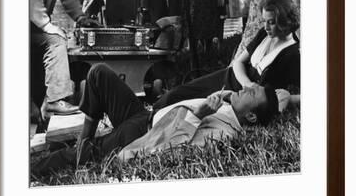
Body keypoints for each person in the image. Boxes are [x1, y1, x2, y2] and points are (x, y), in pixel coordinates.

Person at [32, 62, 280, 175]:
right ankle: (83, 143)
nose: (247, 88)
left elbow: (173, 148)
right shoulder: (226, 105)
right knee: (98, 73)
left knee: (80, 155)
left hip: (142, 134)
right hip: (145, 115)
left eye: (252, 93)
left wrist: (198, 114)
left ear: (251, 116)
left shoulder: (224, 134)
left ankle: (38, 167)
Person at [153, 0, 300, 110]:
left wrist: (285, 100)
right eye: (264, 21)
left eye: (272, 22)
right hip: (228, 77)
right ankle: (147, 119)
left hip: (239, 99)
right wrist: (247, 83)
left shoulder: (293, 53)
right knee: (174, 95)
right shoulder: (265, 33)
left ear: (284, 21)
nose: (266, 27)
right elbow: (239, 62)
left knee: (185, 107)